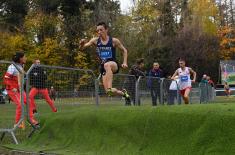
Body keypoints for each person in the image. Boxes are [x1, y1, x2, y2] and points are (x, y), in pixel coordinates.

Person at [79, 22, 131, 105]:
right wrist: (81, 44)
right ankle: (125, 94)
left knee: (107, 64)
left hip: (113, 64)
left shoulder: (114, 41)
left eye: (101, 30)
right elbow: (83, 48)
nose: (99, 32)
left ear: (106, 30)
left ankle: (110, 88)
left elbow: (124, 50)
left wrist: (125, 62)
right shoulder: (95, 40)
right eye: (97, 31)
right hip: (103, 67)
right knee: (108, 92)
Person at [3, 52, 38, 129]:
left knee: (28, 101)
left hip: (19, 89)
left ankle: (31, 119)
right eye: (25, 57)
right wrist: (13, 87)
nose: (26, 58)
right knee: (19, 104)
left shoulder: (20, 65)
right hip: (12, 90)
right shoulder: (12, 67)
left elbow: (23, 74)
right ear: (20, 58)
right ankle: (17, 124)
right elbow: (6, 79)